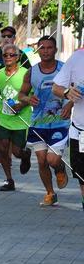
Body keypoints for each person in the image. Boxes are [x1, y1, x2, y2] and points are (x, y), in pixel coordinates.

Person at [18, 36, 71, 206]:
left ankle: (60, 168)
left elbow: (78, 89)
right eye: (42, 48)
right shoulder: (31, 72)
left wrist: (69, 105)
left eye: (49, 47)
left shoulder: (64, 69)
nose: (46, 51)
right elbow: (21, 94)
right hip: (38, 123)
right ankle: (50, 193)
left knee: (52, 160)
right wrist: (28, 99)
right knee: (41, 160)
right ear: (37, 50)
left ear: (55, 50)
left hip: (60, 122)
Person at [0, 24, 30, 166]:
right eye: (4, 36)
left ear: (15, 38)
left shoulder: (21, 55)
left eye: (10, 36)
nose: (6, 38)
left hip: (14, 98)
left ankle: (9, 157)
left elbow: (31, 74)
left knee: (9, 139)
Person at [0, 41, 32, 191]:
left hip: (21, 119)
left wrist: (20, 105)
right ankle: (9, 180)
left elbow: (31, 97)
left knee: (16, 152)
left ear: (18, 57)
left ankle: (25, 155)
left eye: (11, 55)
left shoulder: (25, 74)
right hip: (4, 118)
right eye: (5, 55)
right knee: (3, 148)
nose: (8, 57)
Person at [52, 44, 84, 211]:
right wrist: (66, 93)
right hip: (80, 132)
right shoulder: (77, 58)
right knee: (82, 177)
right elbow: (56, 87)